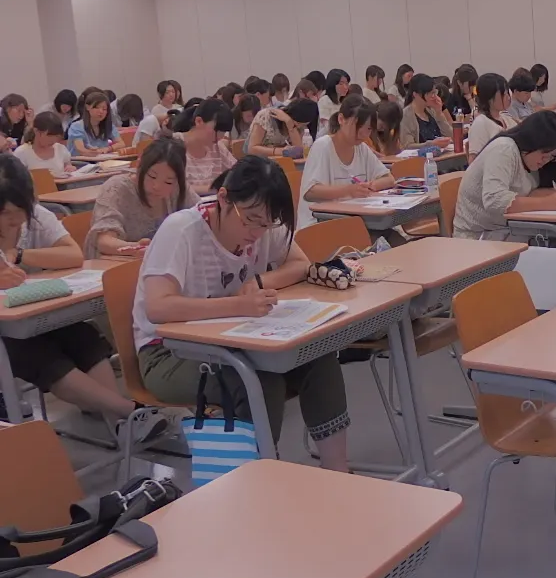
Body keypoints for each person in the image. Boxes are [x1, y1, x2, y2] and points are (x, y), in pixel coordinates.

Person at [134, 156, 350, 470]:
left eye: (266, 224)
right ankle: (257, 478)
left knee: (317, 355)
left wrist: (258, 281)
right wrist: (236, 305)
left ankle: (337, 471)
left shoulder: (261, 221)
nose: (256, 232)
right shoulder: (182, 230)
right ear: (223, 199)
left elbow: (300, 264)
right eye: (249, 220)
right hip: (168, 353)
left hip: (236, 341)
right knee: (259, 379)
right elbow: (158, 306)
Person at [0, 155, 170, 442]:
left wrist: (18, 255)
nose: (16, 219)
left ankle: (118, 421)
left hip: (33, 312)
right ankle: (127, 410)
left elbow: (72, 254)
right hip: (8, 332)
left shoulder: (36, 217)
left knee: (82, 337)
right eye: (6, 212)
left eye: (21, 210)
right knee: (41, 357)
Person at [452, 111, 556, 240]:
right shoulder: (504, 149)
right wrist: (544, 203)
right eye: (544, 153)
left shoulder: (533, 161)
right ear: (532, 141)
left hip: (508, 231)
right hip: (476, 238)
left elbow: (554, 184)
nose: (545, 160)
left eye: (551, 156)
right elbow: (494, 200)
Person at [84, 138, 197, 259]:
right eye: (152, 176)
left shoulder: (179, 189)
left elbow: (202, 218)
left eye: (168, 182)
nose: (157, 186)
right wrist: (135, 247)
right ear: (139, 165)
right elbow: (104, 241)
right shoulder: (116, 189)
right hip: (117, 265)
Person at [298, 96, 396, 229]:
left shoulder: (361, 148)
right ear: (341, 119)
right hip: (321, 225)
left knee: (394, 238)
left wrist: (369, 186)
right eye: (357, 126)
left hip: (354, 221)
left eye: (368, 129)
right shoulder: (323, 146)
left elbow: (389, 179)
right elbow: (310, 192)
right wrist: (349, 190)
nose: (362, 134)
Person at [171, 99, 236, 194]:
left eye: (224, 132)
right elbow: (172, 187)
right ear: (199, 121)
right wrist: (213, 189)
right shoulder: (172, 145)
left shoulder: (218, 147)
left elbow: (239, 173)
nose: (220, 137)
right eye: (217, 130)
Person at [14, 111, 75, 177]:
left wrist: (70, 168)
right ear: (36, 131)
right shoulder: (22, 152)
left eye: (56, 136)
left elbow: (68, 166)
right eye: (49, 136)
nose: (53, 140)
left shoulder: (61, 149)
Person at [399, 74, 453, 149]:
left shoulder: (432, 111)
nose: (434, 96)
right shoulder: (405, 115)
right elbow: (408, 146)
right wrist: (431, 144)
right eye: (430, 93)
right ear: (416, 95)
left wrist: (439, 113)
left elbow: (450, 136)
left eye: (435, 92)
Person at [468, 73, 516, 156]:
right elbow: (474, 161)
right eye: (503, 94)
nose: (508, 97)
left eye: (508, 93)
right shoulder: (481, 123)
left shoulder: (506, 118)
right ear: (490, 97)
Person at [247, 99, 312, 159]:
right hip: (260, 162)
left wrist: (290, 124)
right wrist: (280, 151)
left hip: (282, 163)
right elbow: (252, 149)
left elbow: (299, 150)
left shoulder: (298, 125)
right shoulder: (266, 116)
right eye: (297, 123)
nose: (299, 127)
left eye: (303, 125)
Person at [67, 90, 121, 157]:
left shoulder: (108, 125)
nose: (101, 111)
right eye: (97, 107)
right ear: (87, 107)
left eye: (104, 109)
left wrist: (108, 148)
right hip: (79, 163)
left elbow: (121, 143)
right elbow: (81, 150)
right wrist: (95, 152)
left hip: (100, 161)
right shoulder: (76, 126)